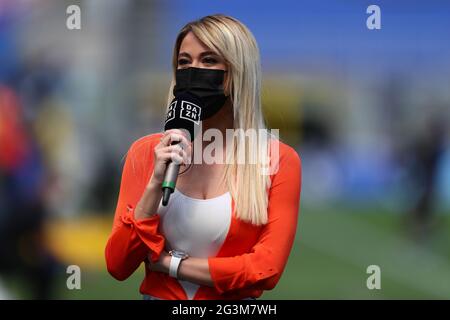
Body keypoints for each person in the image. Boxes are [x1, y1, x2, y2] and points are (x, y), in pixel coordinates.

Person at [105, 14, 302, 300]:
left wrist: (170, 265)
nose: (194, 71)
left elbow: (265, 269)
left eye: (209, 61)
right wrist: (154, 185)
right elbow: (118, 264)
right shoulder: (148, 152)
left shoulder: (277, 159)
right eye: (184, 62)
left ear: (238, 72)